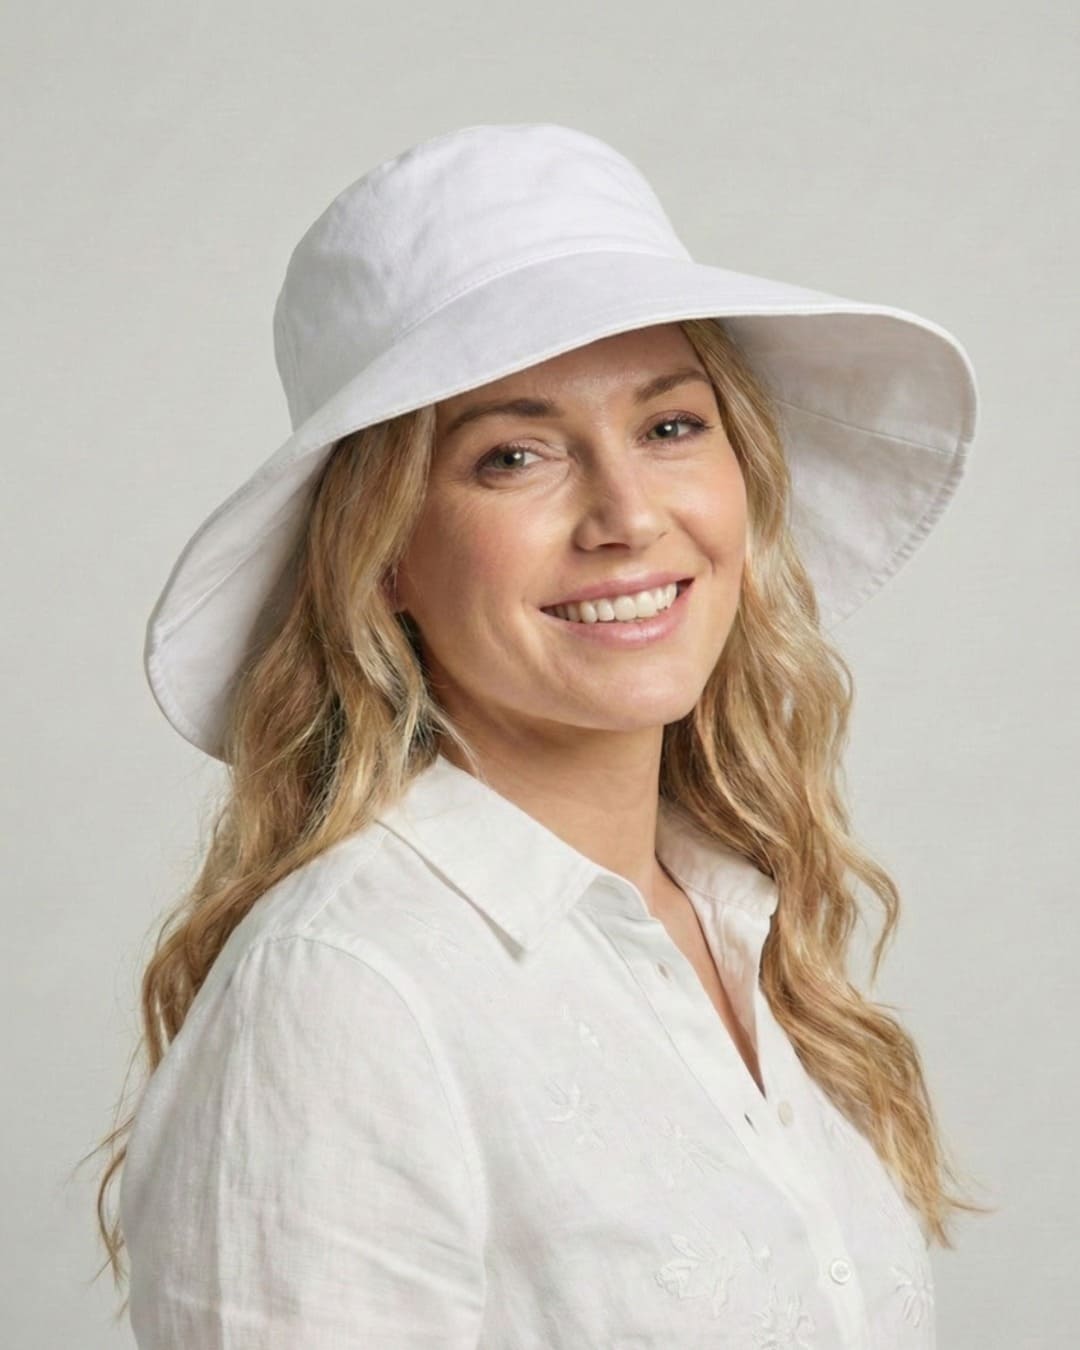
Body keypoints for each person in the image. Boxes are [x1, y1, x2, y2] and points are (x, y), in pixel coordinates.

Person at [90, 122, 987, 1347]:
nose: (626, 515)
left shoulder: (737, 921)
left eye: (671, 427)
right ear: (385, 554)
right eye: (513, 456)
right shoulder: (349, 993)